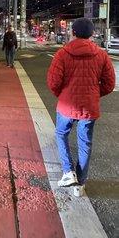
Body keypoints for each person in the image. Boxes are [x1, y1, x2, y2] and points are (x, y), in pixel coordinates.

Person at [47, 17, 115, 197]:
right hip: (89, 108)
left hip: (66, 106)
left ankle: (69, 172)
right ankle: (80, 185)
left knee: (62, 134)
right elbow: (109, 84)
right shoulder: (101, 55)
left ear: (73, 33)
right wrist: (93, 94)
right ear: (92, 34)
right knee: (85, 143)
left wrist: (63, 95)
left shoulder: (63, 53)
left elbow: (53, 82)